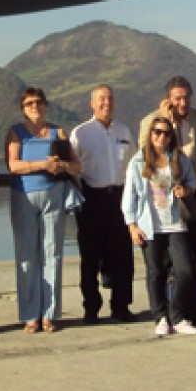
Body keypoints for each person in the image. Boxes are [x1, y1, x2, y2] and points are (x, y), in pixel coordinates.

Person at [138, 76, 196, 324]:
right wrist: (164, 121)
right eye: (177, 98)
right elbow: (145, 156)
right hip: (162, 207)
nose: (182, 103)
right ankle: (167, 310)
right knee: (164, 263)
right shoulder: (149, 123)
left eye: (186, 97)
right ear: (168, 99)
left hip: (193, 201)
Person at [5, 87, 82, 333]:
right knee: (27, 256)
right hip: (24, 197)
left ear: (46, 105)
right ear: (22, 108)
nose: (34, 107)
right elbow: (13, 165)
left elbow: (76, 167)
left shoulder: (58, 132)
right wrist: (42, 164)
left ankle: (49, 313)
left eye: (38, 102)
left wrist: (63, 167)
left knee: (53, 254)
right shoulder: (15, 133)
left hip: (54, 196)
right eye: (29, 103)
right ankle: (30, 314)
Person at [122, 116, 196, 337]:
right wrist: (132, 226)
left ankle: (177, 316)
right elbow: (129, 197)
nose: (161, 137)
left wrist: (186, 190)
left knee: (185, 270)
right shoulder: (138, 162)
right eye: (157, 132)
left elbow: (193, 181)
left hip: (176, 224)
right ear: (150, 134)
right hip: (150, 226)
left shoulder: (179, 159)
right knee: (155, 273)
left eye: (166, 133)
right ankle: (160, 317)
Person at [70, 84, 136, 324]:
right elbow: (71, 169)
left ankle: (121, 306)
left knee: (122, 257)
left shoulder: (124, 131)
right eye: (101, 99)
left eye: (109, 99)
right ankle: (91, 308)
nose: (106, 103)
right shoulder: (80, 133)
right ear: (92, 103)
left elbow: (133, 167)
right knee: (89, 258)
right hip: (91, 199)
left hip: (119, 198)